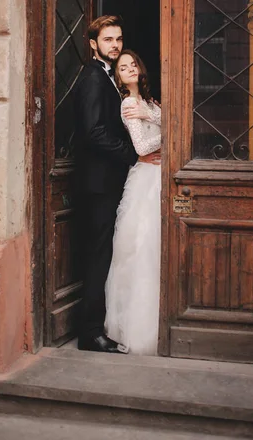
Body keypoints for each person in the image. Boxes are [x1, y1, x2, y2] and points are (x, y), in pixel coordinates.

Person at [73, 15, 160, 354]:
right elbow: (93, 132)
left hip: (110, 181)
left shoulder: (111, 78)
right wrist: (133, 156)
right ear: (93, 43)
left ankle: (98, 325)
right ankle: (91, 332)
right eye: (108, 40)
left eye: (118, 39)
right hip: (98, 184)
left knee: (105, 253)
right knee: (99, 255)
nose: (115, 45)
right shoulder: (93, 78)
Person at [105, 49, 161, 355]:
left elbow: (171, 120)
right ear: (118, 75)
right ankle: (139, 328)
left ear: (140, 69)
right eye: (122, 66)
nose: (128, 68)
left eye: (132, 64)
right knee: (140, 248)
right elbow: (141, 146)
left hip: (159, 175)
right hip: (145, 179)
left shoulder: (149, 102)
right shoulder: (128, 103)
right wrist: (168, 133)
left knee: (156, 248)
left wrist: (153, 115)